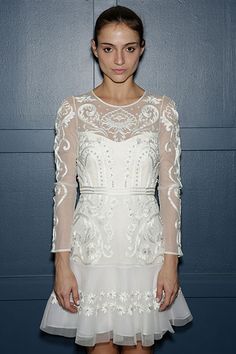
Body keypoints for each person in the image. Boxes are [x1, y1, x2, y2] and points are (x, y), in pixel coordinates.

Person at [40, 5, 193, 354]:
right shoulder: (74, 109)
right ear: (94, 48)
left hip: (146, 253)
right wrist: (61, 265)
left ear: (142, 48)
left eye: (129, 48)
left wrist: (171, 262)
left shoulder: (162, 109)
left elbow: (170, 188)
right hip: (91, 253)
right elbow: (63, 190)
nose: (119, 59)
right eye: (109, 48)